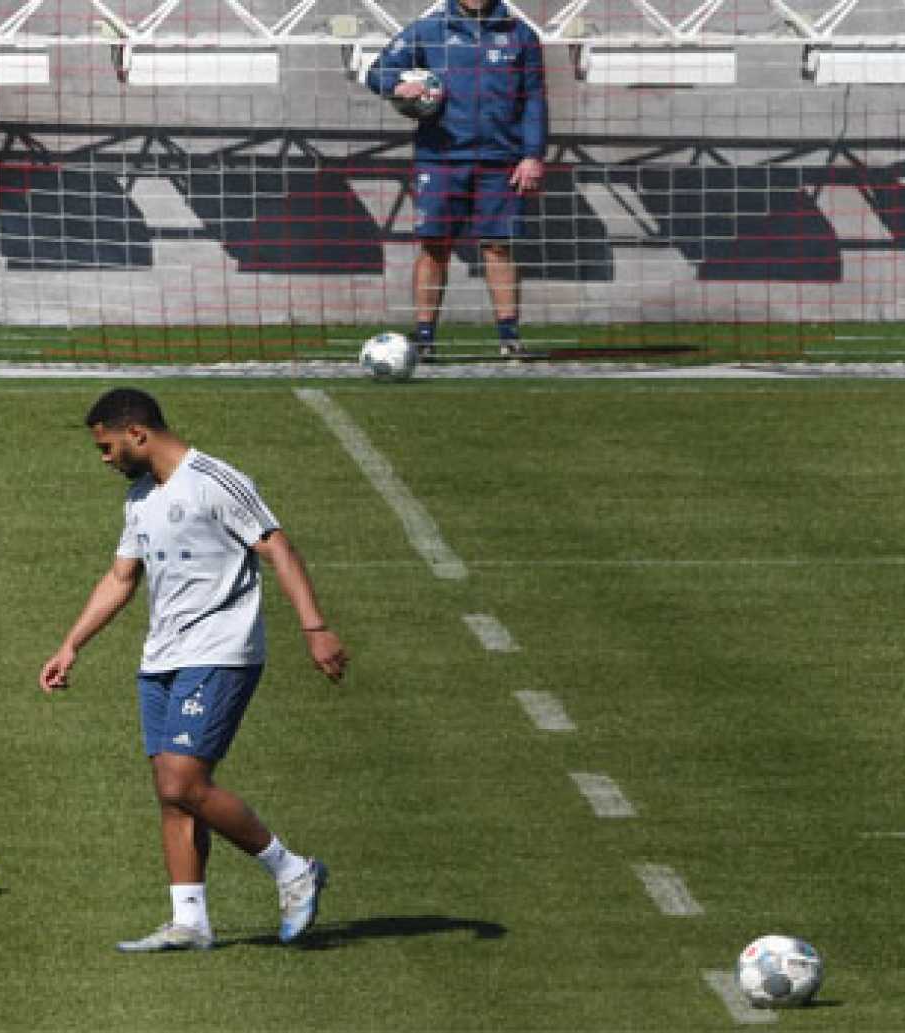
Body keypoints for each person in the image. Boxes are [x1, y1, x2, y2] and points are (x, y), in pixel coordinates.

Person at [38, 388, 349, 952]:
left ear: (137, 433)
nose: (104, 459)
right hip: (161, 657)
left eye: (107, 447)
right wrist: (71, 645)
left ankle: (292, 869)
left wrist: (315, 628)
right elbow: (121, 578)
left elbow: (278, 548)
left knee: (182, 780)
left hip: (220, 651)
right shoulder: (140, 497)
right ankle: (190, 920)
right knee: (171, 793)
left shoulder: (214, 481)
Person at [365, 0, 547, 359]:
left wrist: (532, 154)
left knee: (498, 245)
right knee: (434, 245)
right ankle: (424, 339)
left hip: (501, 160)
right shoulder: (429, 30)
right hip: (440, 157)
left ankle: (509, 339)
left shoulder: (520, 34)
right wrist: (397, 84)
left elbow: (534, 99)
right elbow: (377, 71)